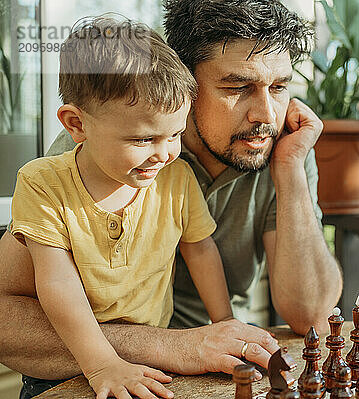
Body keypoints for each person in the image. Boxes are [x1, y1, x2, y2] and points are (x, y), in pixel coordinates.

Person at [0, 0, 342, 397]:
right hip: (97, 374)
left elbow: (311, 314)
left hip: (212, 369)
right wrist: (174, 346)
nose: (266, 115)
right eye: (237, 87)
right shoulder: (100, 143)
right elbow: (6, 322)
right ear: (184, 82)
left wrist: (291, 171)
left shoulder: (282, 145)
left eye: (280, 87)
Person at [10, 16, 236, 399]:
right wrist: (101, 364)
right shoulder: (43, 183)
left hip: (152, 360)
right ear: (76, 124)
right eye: (144, 138)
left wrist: (225, 321)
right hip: (67, 368)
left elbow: (199, 249)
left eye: (176, 134)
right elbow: (57, 283)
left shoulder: (177, 179)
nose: (164, 153)